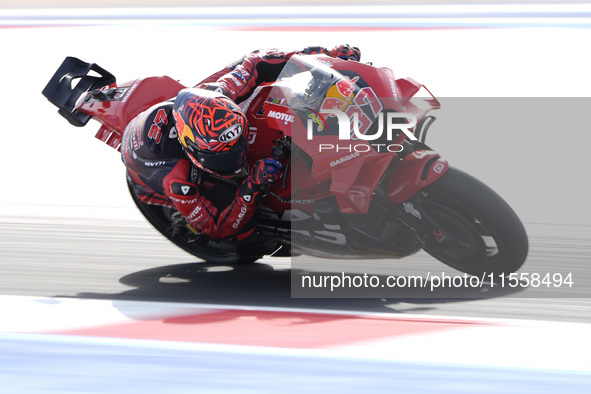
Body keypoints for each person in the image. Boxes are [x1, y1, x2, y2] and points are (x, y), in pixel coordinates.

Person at [121, 45, 361, 243]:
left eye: (239, 145)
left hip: (188, 111)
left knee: (260, 82)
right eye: (225, 156)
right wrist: (251, 186)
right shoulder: (177, 177)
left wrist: (321, 58)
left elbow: (258, 60)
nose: (239, 157)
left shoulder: (219, 93)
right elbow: (217, 228)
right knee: (243, 236)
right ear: (193, 149)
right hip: (151, 167)